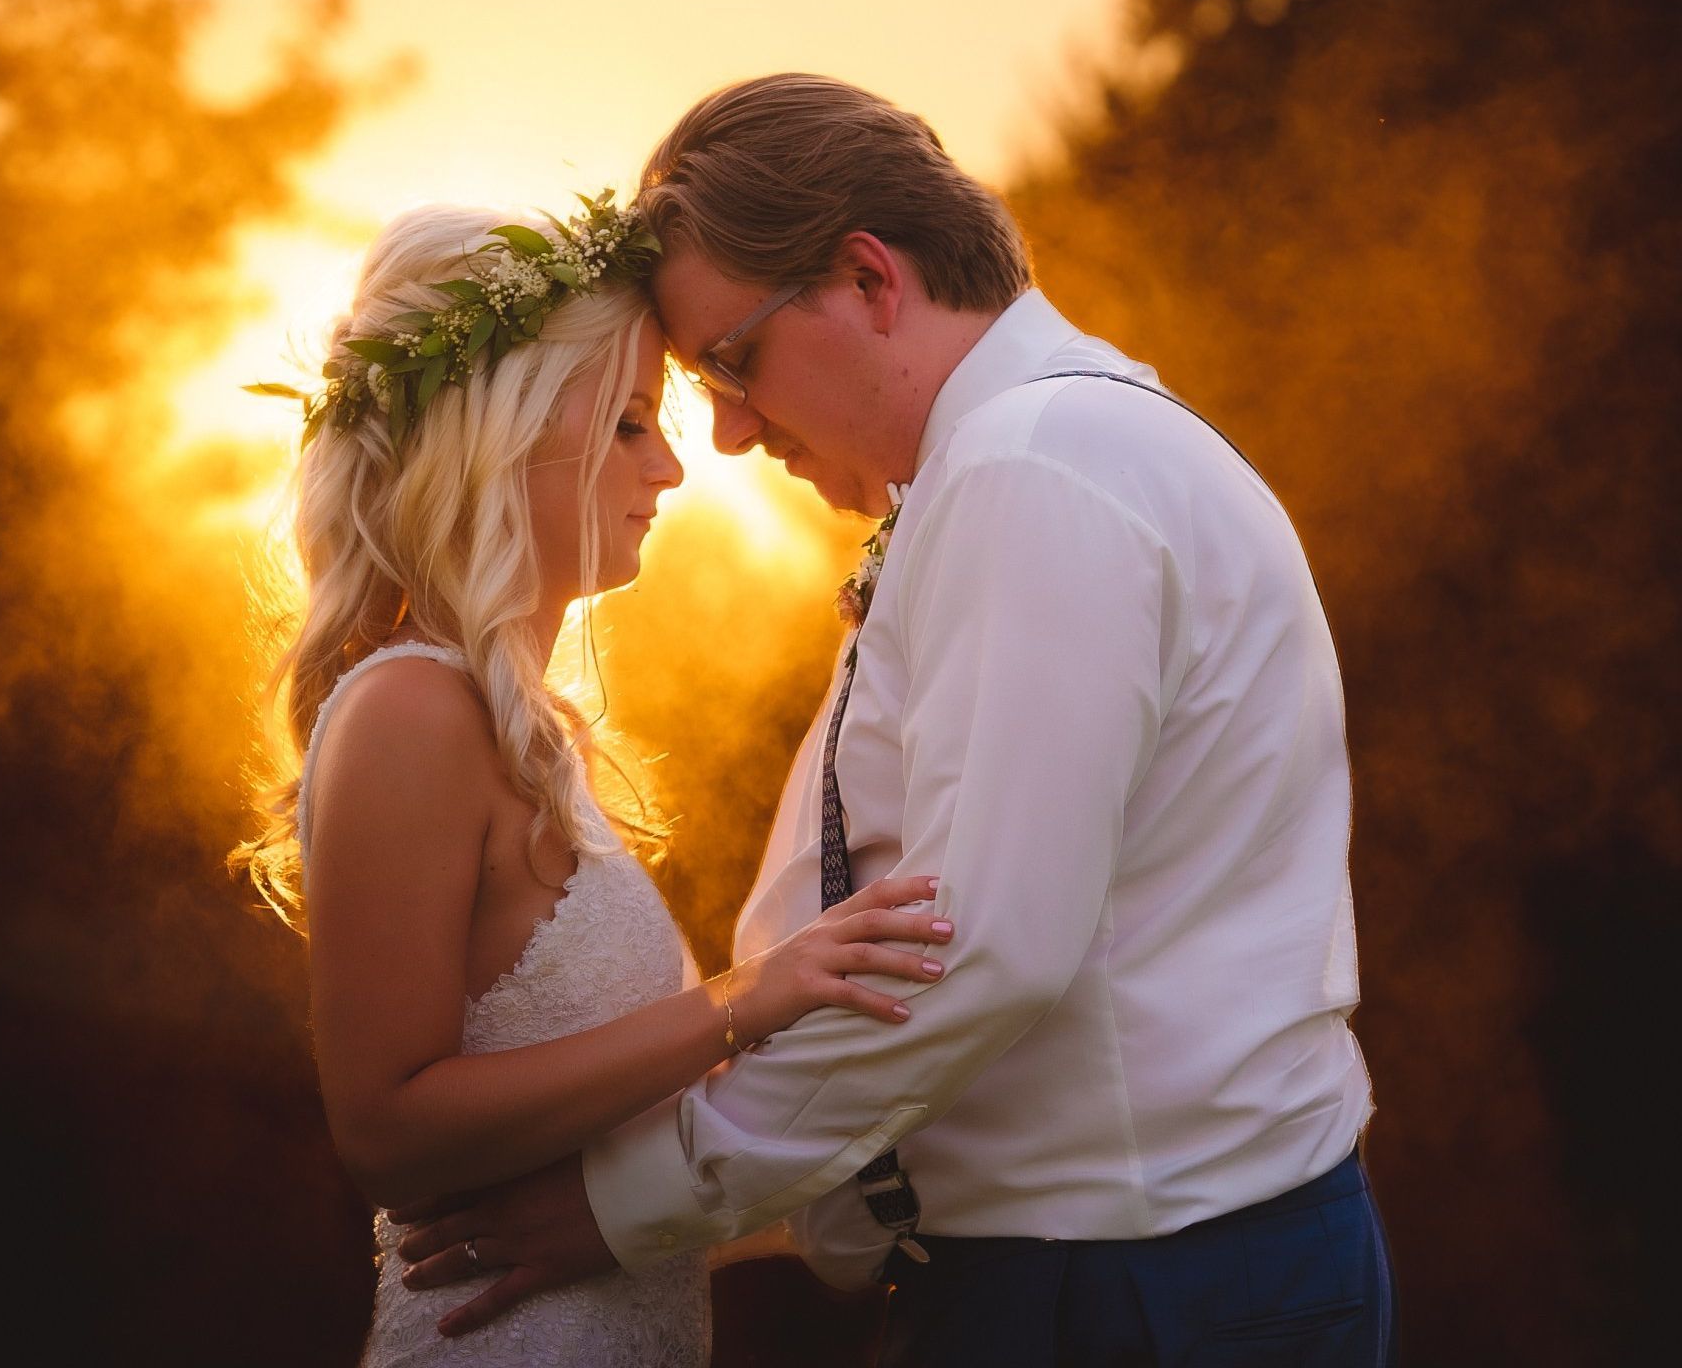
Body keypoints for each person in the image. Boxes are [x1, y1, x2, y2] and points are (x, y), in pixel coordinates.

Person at [393, 75, 1398, 1366]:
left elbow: (971, 950)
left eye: (732, 363)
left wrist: (629, 1203)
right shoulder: (1041, 450)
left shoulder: (1036, 468)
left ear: (870, 279)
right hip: (1121, 1270)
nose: (730, 433)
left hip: (1136, 1289)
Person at [228, 195, 957, 1365]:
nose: (669, 466)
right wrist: (743, 999)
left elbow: (600, 1137)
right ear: (498, 436)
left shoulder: (529, 730)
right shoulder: (411, 712)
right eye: (628, 424)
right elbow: (387, 1133)